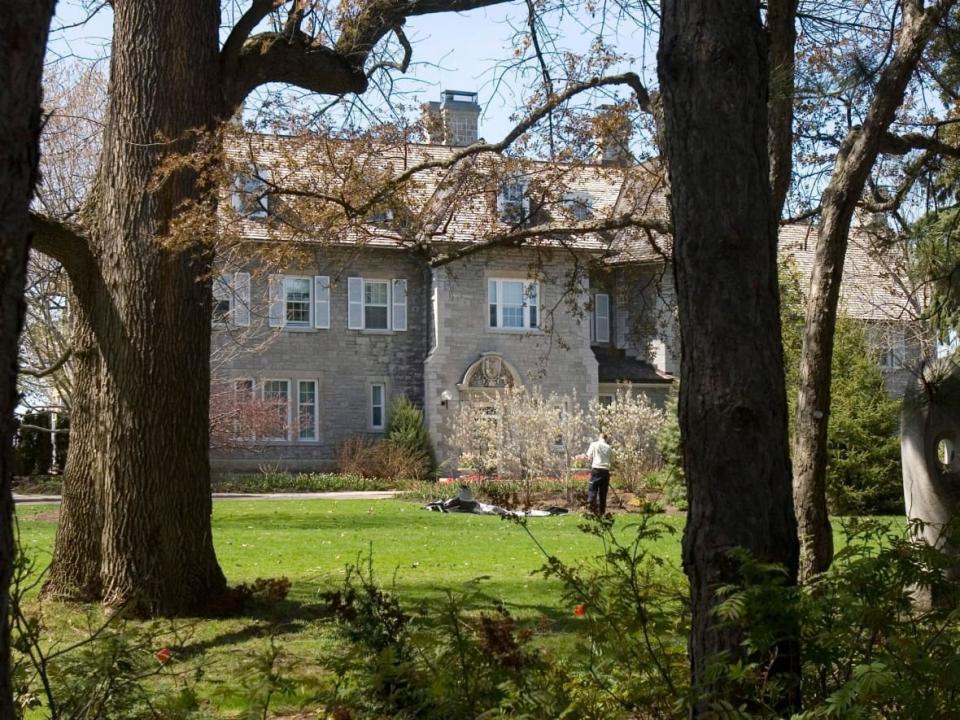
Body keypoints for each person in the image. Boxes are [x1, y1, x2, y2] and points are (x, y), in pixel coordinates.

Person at [584, 431, 613, 514]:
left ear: (599, 437)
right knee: (603, 492)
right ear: (606, 439)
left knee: (593, 489)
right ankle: (602, 511)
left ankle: (592, 509)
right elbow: (612, 460)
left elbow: (588, 457)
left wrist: (584, 458)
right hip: (605, 471)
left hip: (596, 469)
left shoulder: (594, 444)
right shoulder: (609, 447)